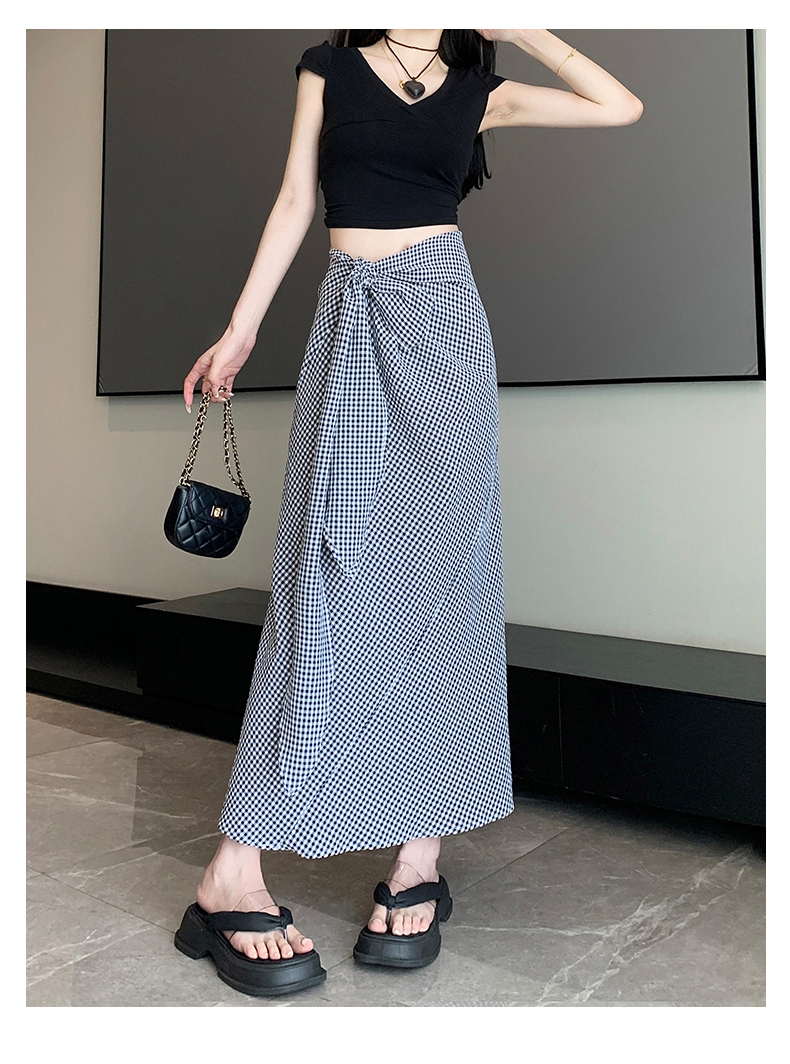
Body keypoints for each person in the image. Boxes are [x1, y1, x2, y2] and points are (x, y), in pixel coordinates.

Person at [175, 28, 642, 997]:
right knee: (323, 584)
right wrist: (241, 326)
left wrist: (519, 30)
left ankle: (418, 856)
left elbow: (619, 106)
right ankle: (232, 869)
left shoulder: (481, 86)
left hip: (443, 321)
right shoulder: (329, 66)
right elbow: (297, 198)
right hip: (350, 317)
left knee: (445, 583)